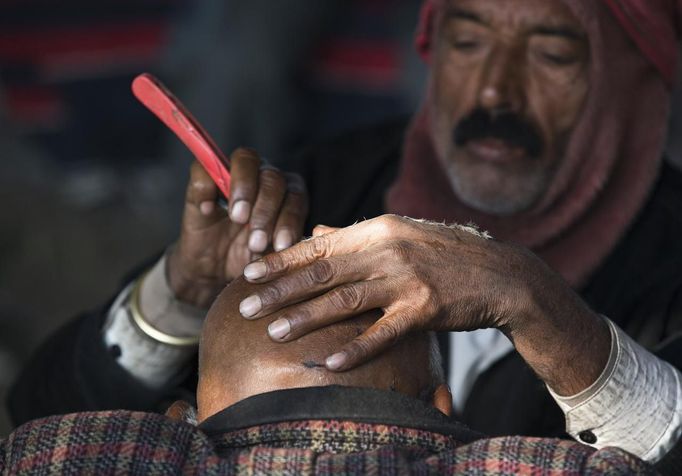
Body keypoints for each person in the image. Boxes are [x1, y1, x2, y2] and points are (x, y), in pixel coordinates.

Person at [8, 0, 682, 468]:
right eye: (467, 42)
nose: (495, 93)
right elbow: (46, 419)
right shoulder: (328, 187)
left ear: (630, 79)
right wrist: (179, 293)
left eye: (553, 55)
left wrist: (532, 300)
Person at [0, 278, 655, 474]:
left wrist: (180, 284)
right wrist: (531, 298)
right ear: (445, 407)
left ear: (185, 421)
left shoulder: (62, 458)